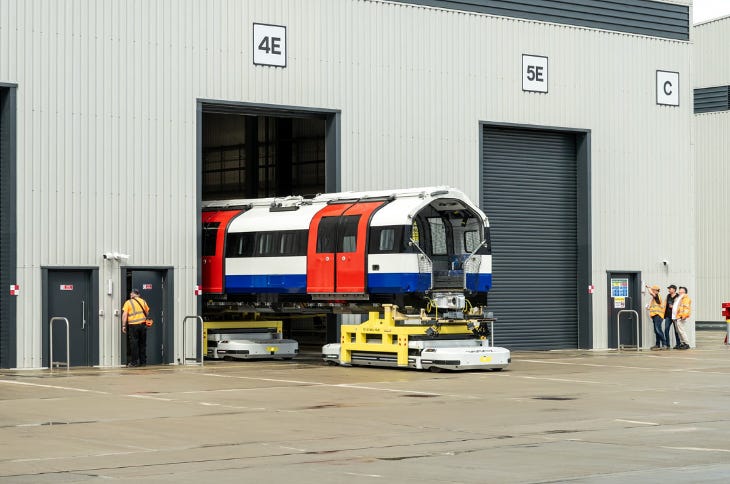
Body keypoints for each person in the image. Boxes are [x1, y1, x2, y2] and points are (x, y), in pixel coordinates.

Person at [122, 288, 150, 367]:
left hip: (133, 326)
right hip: (143, 325)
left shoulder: (128, 302)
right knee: (142, 344)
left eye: (131, 294)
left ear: (135, 294)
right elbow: (147, 313)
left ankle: (134, 363)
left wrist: (124, 325)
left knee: (134, 344)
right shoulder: (143, 301)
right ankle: (143, 362)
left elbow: (125, 314)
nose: (130, 295)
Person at [645, 284, 668, 350]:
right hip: (655, 315)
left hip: (658, 315)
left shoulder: (657, 296)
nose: (652, 291)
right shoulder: (654, 298)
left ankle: (664, 344)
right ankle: (657, 345)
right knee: (656, 330)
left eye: (653, 290)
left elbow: (651, 293)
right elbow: (654, 306)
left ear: (655, 291)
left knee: (658, 330)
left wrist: (648, 287)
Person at [663, 285, 679, 349]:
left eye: (670, 289)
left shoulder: (678, 296)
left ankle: (678, 344)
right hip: (668, 316)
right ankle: (668, 345)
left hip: (675, 316)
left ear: (674, 289)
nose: (669, 290)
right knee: (666, 329)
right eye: (669, 289)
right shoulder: (668, 296)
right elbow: (665, 304)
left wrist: (673, 307)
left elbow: (680, 306)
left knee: (676, 331)